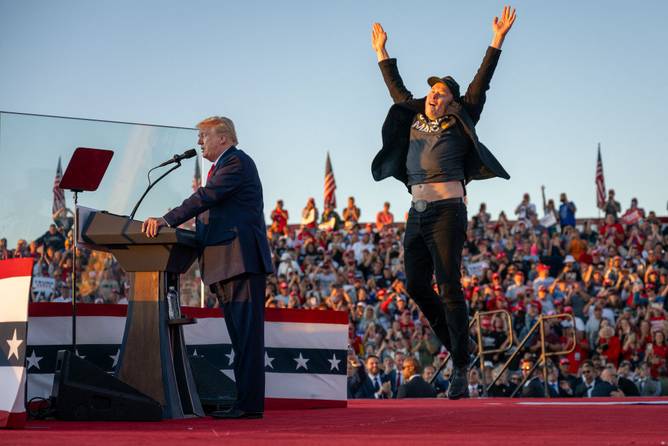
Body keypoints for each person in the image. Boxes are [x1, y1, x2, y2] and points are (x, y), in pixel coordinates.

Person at [370, 6, 517, 399]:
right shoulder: (415, 113)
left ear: (452, 101)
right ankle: (458, 347)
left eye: (442, 93)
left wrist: (497, 40)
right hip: (416, 214)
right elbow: (396, 90)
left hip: (448, 212)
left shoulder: (461, 116)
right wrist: (382, 53)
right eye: (433, 91)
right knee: (416, 284)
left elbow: (481, 83)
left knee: (449, 285)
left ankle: (460, 369)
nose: (435, 96)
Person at [142, 116, 272, 419]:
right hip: (227, 263)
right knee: (240, 338)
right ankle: (245, 402)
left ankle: (249, 406)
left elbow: (206, 197)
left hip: (240, 262)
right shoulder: (223, 166)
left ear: (223, 138)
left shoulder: (236, 163)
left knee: (247, 339)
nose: (199, 142)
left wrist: (166, 220)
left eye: (204, 136)